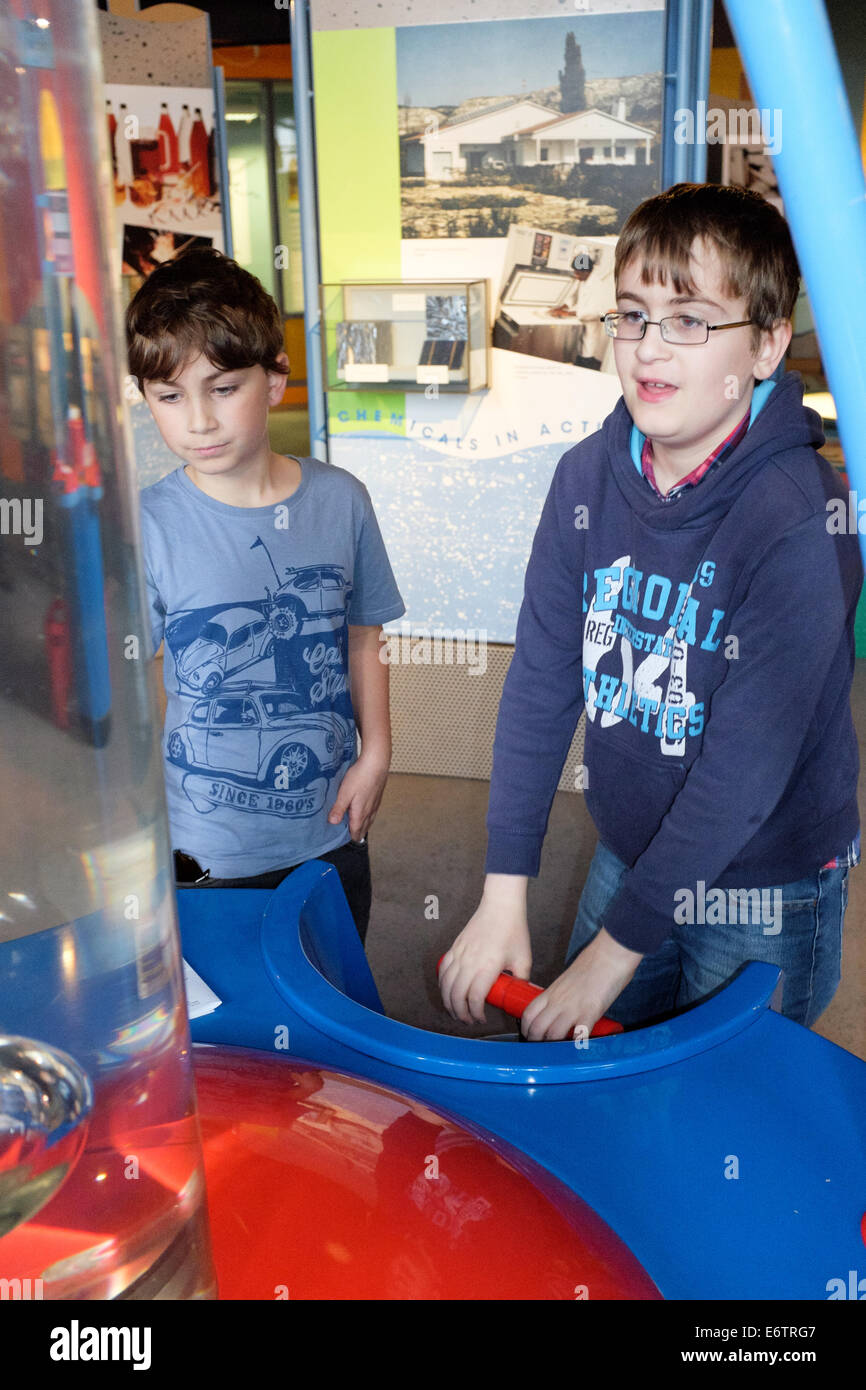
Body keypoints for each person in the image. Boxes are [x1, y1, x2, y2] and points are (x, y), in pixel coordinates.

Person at [439, 182, 862, 1038]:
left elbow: (743, 773)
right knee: (602, 1078)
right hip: (630, 847)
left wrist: (612, 953)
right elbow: (540, 684)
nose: (649, 348)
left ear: (768, 344)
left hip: (765, 880)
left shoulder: (801, 517)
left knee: (735, 1090)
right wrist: (503, 889)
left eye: (690, 320)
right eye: (633, 315)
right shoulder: (585, 478)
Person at [127, 247, 405, 942]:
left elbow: (363, 637)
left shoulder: (342, 500)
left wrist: (376, 754)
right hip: (201, 850)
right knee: (223, 1002)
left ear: (276, 377)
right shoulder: (144, 525)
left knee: (332, 985)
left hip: (331, 830)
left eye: (222, 388)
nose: (198, 421)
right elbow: (116, 682)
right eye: (169, 396)